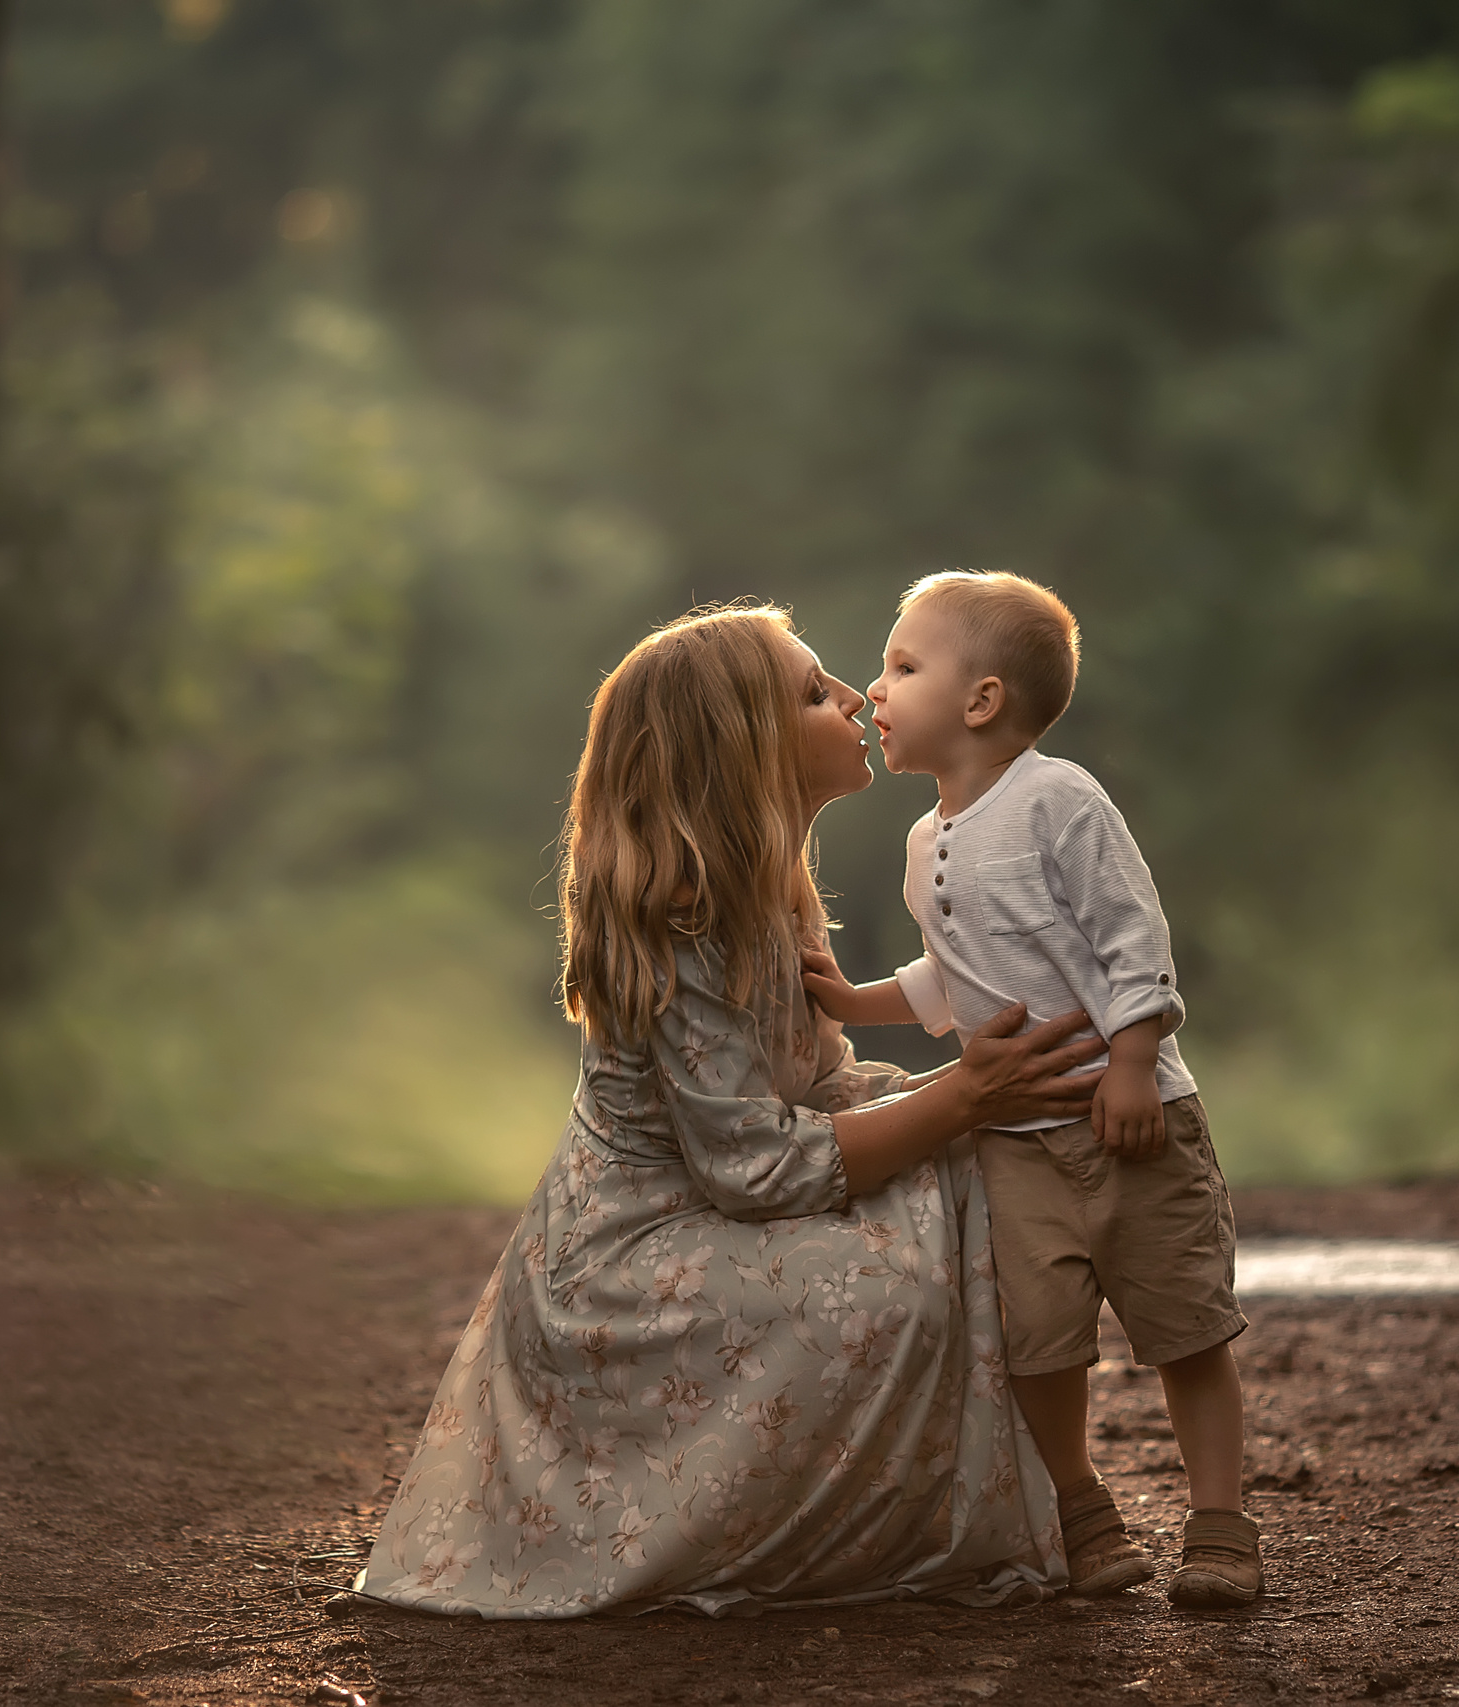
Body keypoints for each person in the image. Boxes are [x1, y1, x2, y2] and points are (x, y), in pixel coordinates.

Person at [358, 604, 1104, 1617]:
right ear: (737, 752)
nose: (854, 697)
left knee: (980, 1186)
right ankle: (832, 1528)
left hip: (722, 1204)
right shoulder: (685, 916)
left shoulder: (771, 889)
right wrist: (962, 1096)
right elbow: (749, 1168)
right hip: (634, 1261)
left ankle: (1049, 1494)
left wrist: (965, 1104)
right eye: (812, 691)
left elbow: (817, 1085)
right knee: (890, 1282)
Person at [800, 570, 1259, 1609]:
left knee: (1186, 1326)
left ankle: (1221, 1525)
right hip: (1017, 1143)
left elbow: (1128, 933)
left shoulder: (1060, 799)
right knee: (1038, 1339)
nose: (873, 688)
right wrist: (854, 997)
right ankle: (1082, 1508)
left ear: (980, 701)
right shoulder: (926, 843)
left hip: (1130, 1122)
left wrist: (1136, 1062)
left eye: (901, 666)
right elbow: (951, 974)